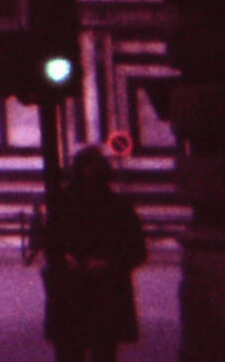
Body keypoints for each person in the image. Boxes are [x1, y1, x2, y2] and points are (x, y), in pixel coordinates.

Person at [42, 146, 147, 362]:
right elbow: (51, 243)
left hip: (86, 287)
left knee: (85, 349)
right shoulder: (116, 206)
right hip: (91, 288)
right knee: (90, 349)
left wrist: (105, 263)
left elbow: (135, 249)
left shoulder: (64, 203)